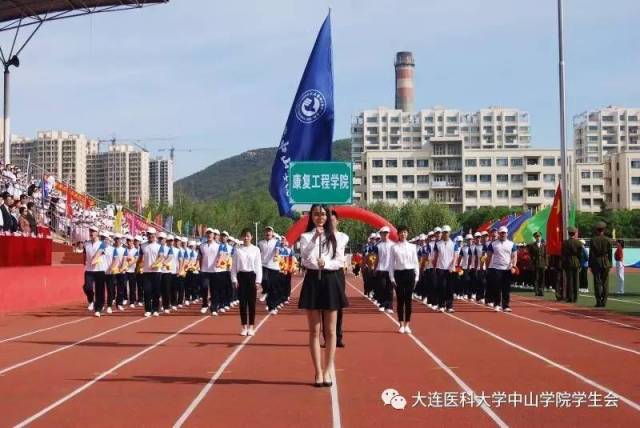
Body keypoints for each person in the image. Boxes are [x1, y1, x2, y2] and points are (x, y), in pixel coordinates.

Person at [298, 204, 348, 387]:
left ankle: (328, 370)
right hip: (312, 281)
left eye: (323, 214)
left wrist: (325, 262)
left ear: (328, 216)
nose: (320, 217)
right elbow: (304, 258)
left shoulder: (339, 237)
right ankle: (318, 372)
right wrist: (315, 239)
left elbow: (339, 261)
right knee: (314, 330)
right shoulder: (305, 236)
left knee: (331, 331)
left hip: (330, 280)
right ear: (311, 216)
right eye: (316, 214)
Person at [231, 228, 262, 336]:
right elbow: (234, 265)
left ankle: (251, 327)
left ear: (251, 237)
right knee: (243, 304)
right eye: (244, 235)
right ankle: (244, 327)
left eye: (248, 236)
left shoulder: (256, 250)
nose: (246, 238)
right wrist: (234, 279)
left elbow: (258, 266)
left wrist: (258, 280)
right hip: (241, 277)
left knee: (252, 303)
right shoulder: (238, 250)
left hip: (252, 276)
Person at [390, 225, 419, 333]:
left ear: (408, 234)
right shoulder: (394, 247)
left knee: (408, 301)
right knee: (400, 300)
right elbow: (391, 264)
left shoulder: (412, 247)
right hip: (399, 274)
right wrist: (392, 278)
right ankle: (401, 324)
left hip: (410, 274)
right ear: (398, 234)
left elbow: (416, 262)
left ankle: (407, 324)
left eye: (405, 232)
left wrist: (417, 277)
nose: (403, 234)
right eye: (401, 232)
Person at [486, 225, 517, 312]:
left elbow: (514, 256)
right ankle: (496, 304)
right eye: (501, 233)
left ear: (507, 234)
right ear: (499, 233)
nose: (503, 234)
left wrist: (514, 266)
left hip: (507, 269)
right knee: (497, 287)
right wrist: (488, 268)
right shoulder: (493, 244)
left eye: (504, 233)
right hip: (496, 268)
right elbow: (488, 257)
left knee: (506, 288)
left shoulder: (511, 244)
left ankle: (506, 305)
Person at [330, 210, 348, 347]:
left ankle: (338, 337)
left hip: (337, 272)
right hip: (324, 272)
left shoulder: (343, 236)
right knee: (325, 306)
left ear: (337, 222)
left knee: (338, 305)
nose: (331, 222)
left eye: (333, 220)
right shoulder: (321, 237)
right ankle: (327, 337)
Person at [83, 226, 107, 316]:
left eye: (93, 231)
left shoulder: (102, 244)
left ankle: (98, 309)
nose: (91, 232)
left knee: (99, 290)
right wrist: (85, 263)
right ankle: (91, 301)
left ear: (97, 233)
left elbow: (98, 253)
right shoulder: (86, 243)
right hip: (89, 269)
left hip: (99, 270)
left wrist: (94, 260)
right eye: (90, 231)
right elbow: (84, 255)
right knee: (87, 287)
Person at [258, 226, 282, 314]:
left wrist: (276, 255)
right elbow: (257, 252)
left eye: (270, 231)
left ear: (272, 233)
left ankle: (272, 307)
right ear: (264, 233)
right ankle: (265, 291)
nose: (268, 233)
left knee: (273, 288)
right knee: (264, 280)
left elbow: (277, 250)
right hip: (263, 265)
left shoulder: (277, 242)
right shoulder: (260, 243)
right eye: (266, 231)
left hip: (274, 267)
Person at [140, 227, 163, 317]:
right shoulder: (142, 245)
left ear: (155, 235)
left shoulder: (158, 246)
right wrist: (138, 266)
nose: (150, 236)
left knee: (156, 291)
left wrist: (155, 264)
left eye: (151, 234)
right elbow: (140, 257)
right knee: (146, 291)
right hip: (146, 271)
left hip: (156, 271)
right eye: (148, 234)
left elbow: (161, 257)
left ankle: (156, 309)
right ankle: (148, 309)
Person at [432, 225, 455, 313]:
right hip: (440, 268)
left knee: (450, 287)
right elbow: (435, 257)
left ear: (449, 233)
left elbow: (455, 256)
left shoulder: (454, 244)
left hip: (450, 269)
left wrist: (452, 266)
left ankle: (449, 306)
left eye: (447, 232)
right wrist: (434, 267)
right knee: (441, 287)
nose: (445, 234)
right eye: (444, 232)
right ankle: (441, 305)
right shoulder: (437, 244)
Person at [589, 222, 612, 307]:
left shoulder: (593, 240)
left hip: (596, 262)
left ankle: (598, 301)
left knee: (597, 282)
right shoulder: (608, 240)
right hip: (606, 262)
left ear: (596, 230)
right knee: (605, 282)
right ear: (604, 230)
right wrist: (610, 264)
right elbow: (610, 254)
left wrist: (590, 265)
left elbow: (591, 254)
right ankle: (604, 301)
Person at [199, 228, 220, 315]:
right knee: (204, 287)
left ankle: (214, 309)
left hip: (214, 271)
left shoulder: (218, 246)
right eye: (207, 233)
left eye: (210, 233)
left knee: (214, 290)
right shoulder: (201, 246)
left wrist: (218, 263)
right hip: (204, 270)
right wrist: (200, 268)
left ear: (213, 235)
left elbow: (221, 256)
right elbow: (200, 257)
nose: (209, 235)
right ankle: (204, 305)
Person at [373, 226, 394, 313]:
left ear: (389, 234)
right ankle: (382, 304)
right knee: (381, 287)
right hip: (381, 269)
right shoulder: (378, 245)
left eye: (386, 233)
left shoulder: (393, 245)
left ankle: (389, 306)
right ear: (380, 234)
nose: (384, 234)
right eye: (383, 233)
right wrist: (375, 269)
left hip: (390, 270)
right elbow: (377, 258)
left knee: (389, 289)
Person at [562, 226, 583, 303]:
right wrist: (580, 264)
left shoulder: (565, 242)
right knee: (576, 281)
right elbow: (580, 255)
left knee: (569, 280)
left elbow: (563, 254)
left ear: (568, 233)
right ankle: (575, 298)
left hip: (568, 262)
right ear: (575, 233)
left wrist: (563, 264)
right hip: (576, 262)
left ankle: (569, 297)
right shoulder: (579, 243)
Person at [527, 231, 547, 296]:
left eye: (539, 236)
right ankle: (536, 290)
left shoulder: (544, 245)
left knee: (542, 277)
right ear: (535, 238)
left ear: (541, 237)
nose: (538, 238)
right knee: (536, 277)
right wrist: (532, 263)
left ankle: (542, 290)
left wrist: (546, 264)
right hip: (535, 262)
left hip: (542, 263)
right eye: (537, 236)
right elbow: (530, 255)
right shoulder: (532, 245)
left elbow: (546, 255)